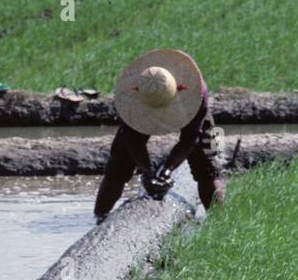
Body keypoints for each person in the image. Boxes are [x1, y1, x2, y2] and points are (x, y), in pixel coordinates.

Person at [94, 48, 225, 218]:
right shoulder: (130, 98)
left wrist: (168, 169)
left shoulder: (196, 96)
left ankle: (218, 220)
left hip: (186, 109)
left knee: (207, 166)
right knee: (119, 164)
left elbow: (190, 139)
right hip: (143, 108)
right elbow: (132, 140)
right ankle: (99, 216)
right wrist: (146, 171)